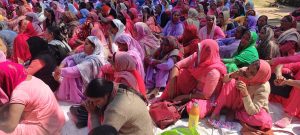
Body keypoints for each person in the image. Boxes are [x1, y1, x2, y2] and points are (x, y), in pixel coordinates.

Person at [156, 39, 227, 119]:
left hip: (203, 96)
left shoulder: (213, 72)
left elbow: (205, 96)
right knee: (182, 73)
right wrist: (172, 85)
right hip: (193, 87)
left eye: (200, 50)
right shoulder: (196, 57)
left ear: (207, 53)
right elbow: (177, 66)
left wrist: (185, 97)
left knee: (195, 109)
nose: (197, 51)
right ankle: (171, 99)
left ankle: (180, 107)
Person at [0, 61, 65, 134]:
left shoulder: (19, 93)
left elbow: (10, 126)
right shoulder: (30, 79)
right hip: (56, 120)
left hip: (45, 128)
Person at [210, 60, 272, 132]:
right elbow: (224, 80)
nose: (247, 72)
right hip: (238, 101)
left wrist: (245, 93)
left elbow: (253, 111)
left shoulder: (263, 88)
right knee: (231, 82)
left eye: (252, 73)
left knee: (262, 120)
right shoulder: (243, 71)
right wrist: (233, 75)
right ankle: (217, 111)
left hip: (248, 108)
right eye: (248, 68)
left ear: (259, 76)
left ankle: (235, 113)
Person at [84, 78, 154, 134]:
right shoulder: (116, 87)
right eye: (92, 101)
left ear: (106, 95)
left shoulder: (114, 110)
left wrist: (93, 114)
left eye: (97, 101)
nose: (95, 104)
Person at [55, 36, 108, 103]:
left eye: (86, 44)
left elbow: (75, 71)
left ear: (93, 47)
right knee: (71, 62)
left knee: (71, 68)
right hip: (82, 81)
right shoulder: (85, 54)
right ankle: (69, 91)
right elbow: (69, 57)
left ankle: (75, 95)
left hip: (88, 86)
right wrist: (60, 67)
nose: (83, 46)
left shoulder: (93, 60)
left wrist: (59, 71)